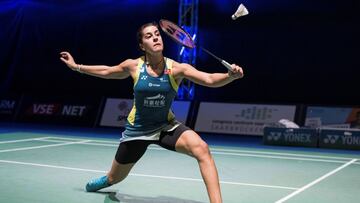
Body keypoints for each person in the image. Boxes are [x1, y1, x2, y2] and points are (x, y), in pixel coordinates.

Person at [60, 21, 244, 203]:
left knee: (202, 149)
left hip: (166, 126)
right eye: (149, 36)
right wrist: (76, 66)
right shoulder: (134, 66)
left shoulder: (177, 68)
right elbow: (107, 71)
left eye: (157, 34)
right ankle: (105, 180)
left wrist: (230, 76)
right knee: (115, 178)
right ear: (142, 46)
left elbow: (210, 79)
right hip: (137, 131)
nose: (155, 37)